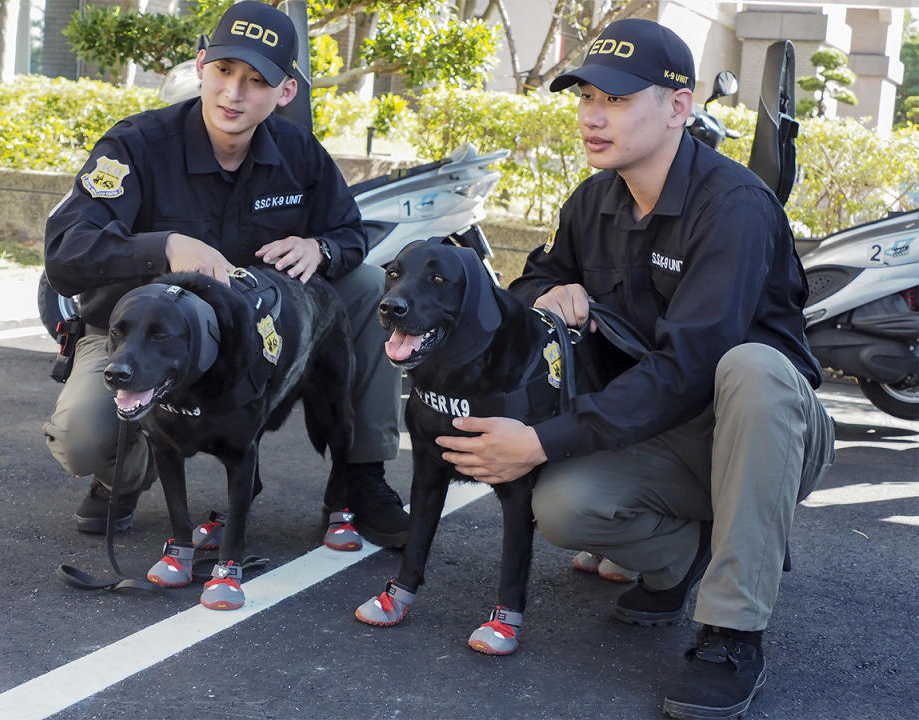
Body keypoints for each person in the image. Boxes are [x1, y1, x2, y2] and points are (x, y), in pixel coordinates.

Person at [434, 18, 835, 720]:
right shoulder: (595, 200)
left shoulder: (733, 205)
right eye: (585, 96)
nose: (593, 115)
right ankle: (685, 560)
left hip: (771, 428)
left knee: (753, 367)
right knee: (561, 502)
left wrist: (538, 440)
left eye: (616, 100)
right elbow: (529, 285)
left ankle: (732, 633)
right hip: (669, 429)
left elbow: (690, 365)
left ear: (678, 107)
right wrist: (548, 294)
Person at [42, 1, 408, 549]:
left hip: (246, 332)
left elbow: (352, 233)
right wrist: (163, 247)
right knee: (81, 435)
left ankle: (362, 472)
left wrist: (321, 248)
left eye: (257, 80)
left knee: (366, 285)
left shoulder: (298, 151)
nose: (235, 94)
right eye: (225, 71)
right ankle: (125, 466)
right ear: (200, 65)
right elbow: (67, 252)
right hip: (139, 337)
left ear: (285, 92)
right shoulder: (136, 145)